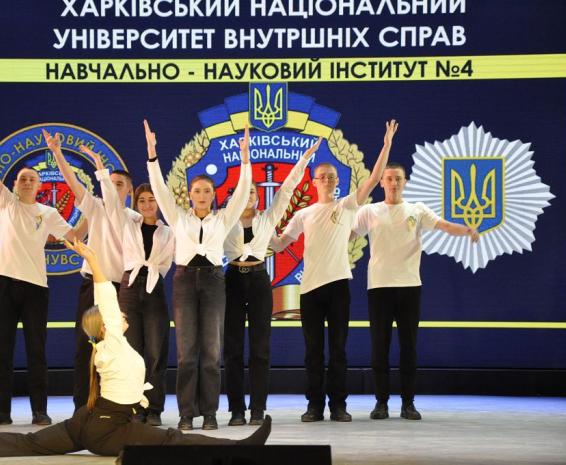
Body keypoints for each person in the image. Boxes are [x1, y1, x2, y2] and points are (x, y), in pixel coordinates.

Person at [0, 239, 272, 461]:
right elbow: (105, 295)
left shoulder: (109, 347)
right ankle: (240, 449)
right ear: (106, 324)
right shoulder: (110, 341)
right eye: (116, 316)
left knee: (27, 443)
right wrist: (94, 262)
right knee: (172, 440)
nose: (122, 315)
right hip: (107, 429)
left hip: (87, 421)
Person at [271, 120, 399, 423]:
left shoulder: (346, 206)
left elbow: (374, 179)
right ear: (314, 182)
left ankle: (338, 406)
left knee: (338, 350)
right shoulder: (303, 214)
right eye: (322, 177)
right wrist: (257, 230)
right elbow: (279, 244)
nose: (326, 180)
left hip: (339, 286)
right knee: (313, 352)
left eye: (331, 176)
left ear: (336, 181)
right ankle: (314, 406)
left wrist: (386, 145)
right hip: (309, 290)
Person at [0, 110, 76, 427]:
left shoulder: (48, 213)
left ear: (40, 185)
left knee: (37, 352)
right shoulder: (6, 201)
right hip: (5, 285)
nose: (27, 181)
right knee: (1, 351)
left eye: (32, 179)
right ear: (15, 183)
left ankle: (40, 411)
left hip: (36, 289)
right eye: (23, 178)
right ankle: (0, 411)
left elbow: (75, 237)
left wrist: (94, 210)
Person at [145, 120, 252, 430]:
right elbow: (159, 189)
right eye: (197, 190)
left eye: (207, 190)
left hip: (214, 281)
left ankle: (210, 413)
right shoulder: (178, 217)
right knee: (186, 353)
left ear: (214, 195)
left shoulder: (223, 219)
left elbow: (242, 192)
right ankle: (186, 414)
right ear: (189, 194)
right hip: (184, 282)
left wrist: (245, 160)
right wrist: (152, 154)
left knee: (212, 352)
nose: (202, 195)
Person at [352, 161, 479, 420]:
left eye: (398, 178)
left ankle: (408, 403)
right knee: (380, 347)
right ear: (382, 182)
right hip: (379, 287)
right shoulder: (369, 211)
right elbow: (346, 236)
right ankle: (381, 403)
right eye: (389, 178)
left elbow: (444, 226)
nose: (394, 183)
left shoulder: (417, 210)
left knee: (408, 347)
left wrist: (467, 230)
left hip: (409, 287)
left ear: (405, 182)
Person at [223, 137, 322, 426]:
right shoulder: (223, 220)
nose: (249, 195)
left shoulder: (267, 219)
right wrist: (244, 156)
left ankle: (257, 409)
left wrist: (304, 160)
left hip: (258, 282)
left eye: (253, 191)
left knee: (260, 348)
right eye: (244, 191)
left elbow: (287, 189)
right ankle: (237, 410)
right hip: (232, 281)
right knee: (232, 349)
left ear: (258, 197)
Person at [82, 144, 175, 427]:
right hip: (130, 289)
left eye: (151, 200)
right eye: (142, 200)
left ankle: (154, 409)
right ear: (135, 203)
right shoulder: (127, 224)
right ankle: (134, 408)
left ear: (159, 202)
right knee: (129, 351)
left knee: (156, 353)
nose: (146, 204)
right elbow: (111, 201)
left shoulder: (170, 232)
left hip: (155, 289)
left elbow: (171, 260)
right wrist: (100, 168)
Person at [42, 129, 134, 411]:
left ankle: (117, 406)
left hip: (121, 289)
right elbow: (72, 183)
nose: (114, 188)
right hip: (92, 286)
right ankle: (82, 407)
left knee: (118, 348)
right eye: (111, 183)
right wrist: (57, 153)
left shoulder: (135, 218)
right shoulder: (95, 207)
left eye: (120, 185)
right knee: (85, 346)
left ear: (129, 191)